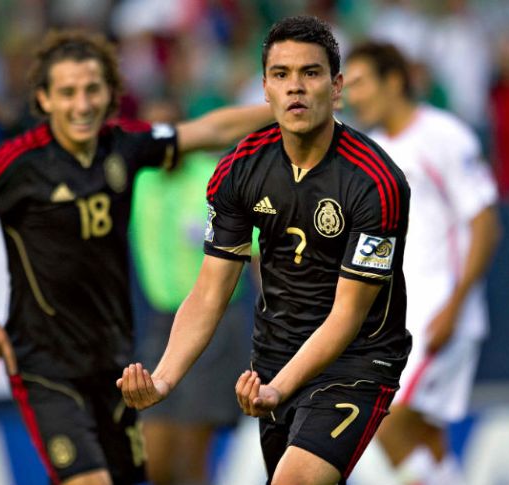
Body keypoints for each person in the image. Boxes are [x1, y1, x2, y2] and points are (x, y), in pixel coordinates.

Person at [0, 29, 273, 485]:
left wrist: (283, 109)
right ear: (45, 100)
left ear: (110, 93)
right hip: (47, 364)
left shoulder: (123, 145)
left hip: (116, 360)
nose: (81, 104)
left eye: (92, 90)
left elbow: (207, 130)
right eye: (67, 92)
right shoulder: (18, 163)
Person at [117, 16, 412, 485]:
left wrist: (280, 387)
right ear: (265, 89)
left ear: (336, 88)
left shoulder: (376, 181)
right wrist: (164, 380)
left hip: (355, 361)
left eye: (310, 73)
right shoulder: (238, 171)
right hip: (273, 359)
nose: (295, 87)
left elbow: (347, 315)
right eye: (281, 75)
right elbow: (210, 291)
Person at [343, 42, 501, 485]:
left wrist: (454, 306)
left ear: (393, 81)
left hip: (440, 313)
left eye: (360, 83)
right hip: (403, 318)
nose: (353, 96)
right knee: (426, 438)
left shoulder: (444, 136)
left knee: (379, 415)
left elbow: (486, 225)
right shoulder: (375, 152)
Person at [129, 99, 254, 485]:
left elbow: (257, 254)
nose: (161, 143)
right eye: (152, 135)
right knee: (155, 461)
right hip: (160, 324)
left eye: (169, 133)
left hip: (213, 325)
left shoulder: (215, 179)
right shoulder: (137, 182)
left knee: (189, 457)